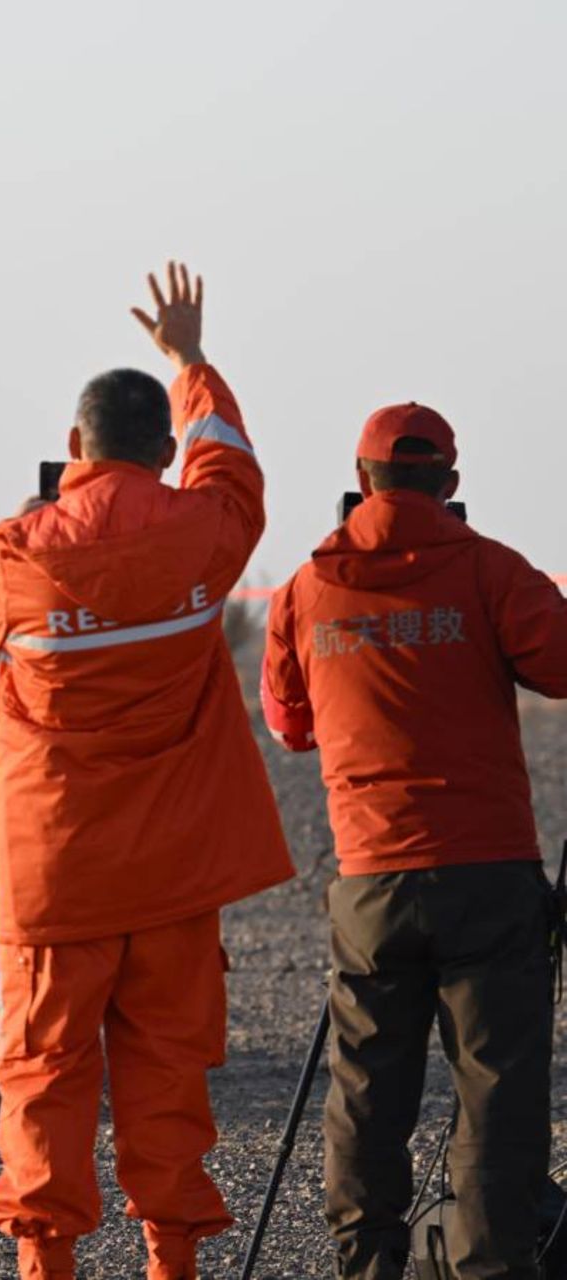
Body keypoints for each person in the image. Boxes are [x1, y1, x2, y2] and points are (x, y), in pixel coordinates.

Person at [0, 263, 293, 1280]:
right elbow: (233, 464)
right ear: (162, 449)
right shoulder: (205, 531)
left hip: (59, 881)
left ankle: (48, 1264)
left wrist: (37, 506)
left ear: (77, 446)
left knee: (44, 1075)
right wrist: (192, 360)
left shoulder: (23, 552)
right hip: (177, 876)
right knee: (169, 1073)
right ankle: (169, 1262)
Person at [262, 404, 567, 1278]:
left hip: (370, 881)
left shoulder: (304, 589)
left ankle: (369, 1263)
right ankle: (491, 1266)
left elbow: (287, 723)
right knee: (498, 1092)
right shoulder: (491, 571)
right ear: (452, 485)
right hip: (489, 871)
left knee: (365, 1088)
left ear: (362, 483)